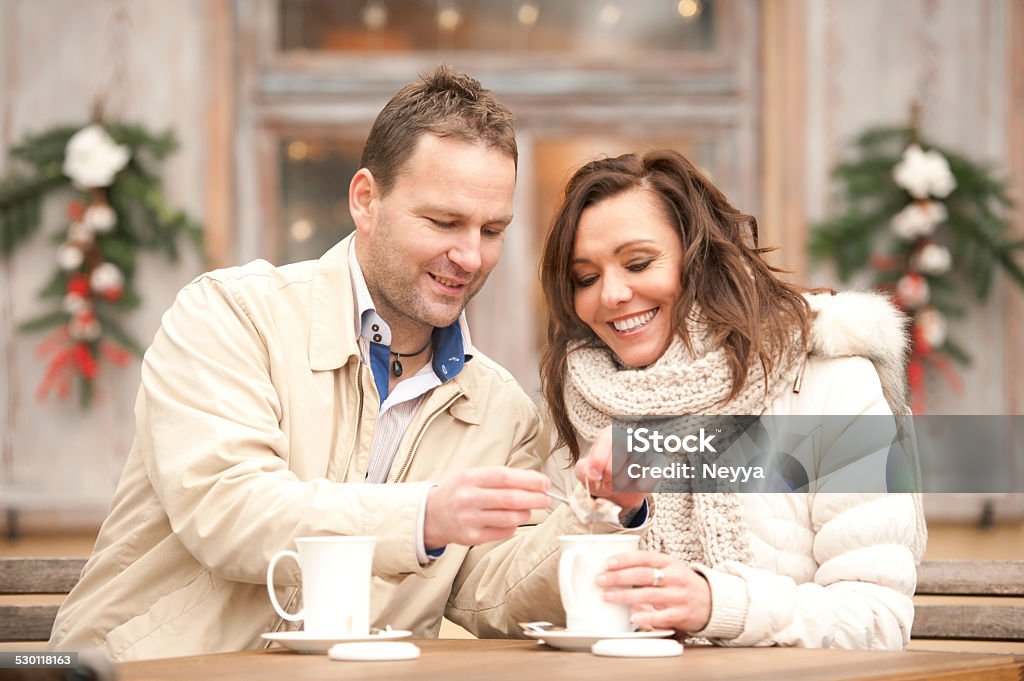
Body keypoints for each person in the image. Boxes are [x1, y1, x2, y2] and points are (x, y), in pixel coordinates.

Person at [49, 66, 647, 661]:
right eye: (443, 222)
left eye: (492, 230)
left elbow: (498, 596)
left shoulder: (502, 410)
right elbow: (228, 509)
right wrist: (424, 516)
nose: (469, 255)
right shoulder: (231, 314)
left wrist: (603, 513)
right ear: (366, 200)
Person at [539, 149, 927, 649]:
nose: (611, 294)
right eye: (585, 278)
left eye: (638, 263)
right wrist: (616, 514)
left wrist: (716, 604)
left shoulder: (830, 383)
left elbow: (877, 621)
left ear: (699, 258)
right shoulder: (575, 403)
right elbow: (542, 601)